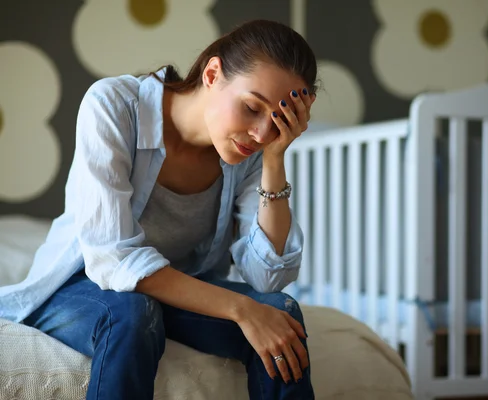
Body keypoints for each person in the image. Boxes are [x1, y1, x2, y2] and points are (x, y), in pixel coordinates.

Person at [0, 19, 318, 399]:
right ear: (213, 74)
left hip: (173, 293)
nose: (261, 133)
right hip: (84, 285)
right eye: (252, 108)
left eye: (278, 123)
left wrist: (274, 159)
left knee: (281, 312)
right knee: (133, 313)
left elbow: (267, 278)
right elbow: (113, 258)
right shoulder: (114, 106)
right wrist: (241, 309)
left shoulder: (253, 153)